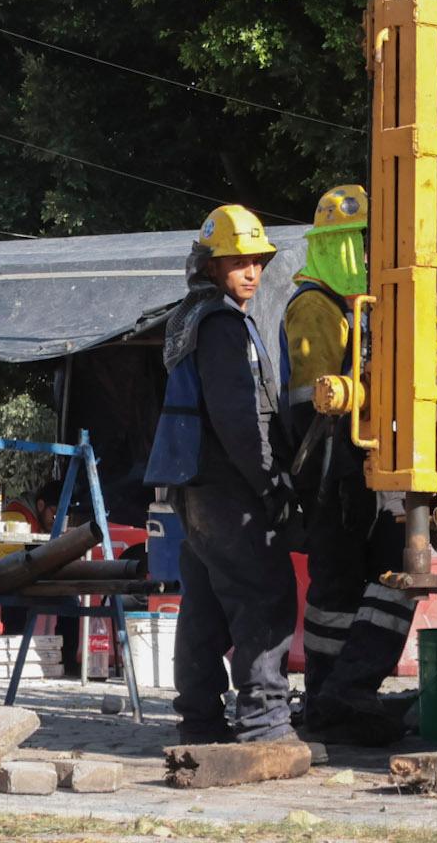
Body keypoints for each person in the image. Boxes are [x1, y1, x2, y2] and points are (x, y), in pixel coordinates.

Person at [145, 204, 299, 749]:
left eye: (256, 261)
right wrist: (268, 482)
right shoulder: (223, 327)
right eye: (237, 262)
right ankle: (264, 724)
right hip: (227, 485)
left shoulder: (192, 316)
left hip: (196, 485)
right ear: (211, 266)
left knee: (206, 601)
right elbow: (238, 416)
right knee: (263, 593)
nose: (251, 272)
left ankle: (200, 722)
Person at [279, 183, 417, 746]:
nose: (362, 258)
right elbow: (314, 401)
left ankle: (339, 698)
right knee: (352, 585)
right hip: (337, 471)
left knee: (373, 580)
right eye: (356, 246)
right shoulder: (315, 305)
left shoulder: (359, 305)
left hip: (360, 468)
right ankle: (333, 698)